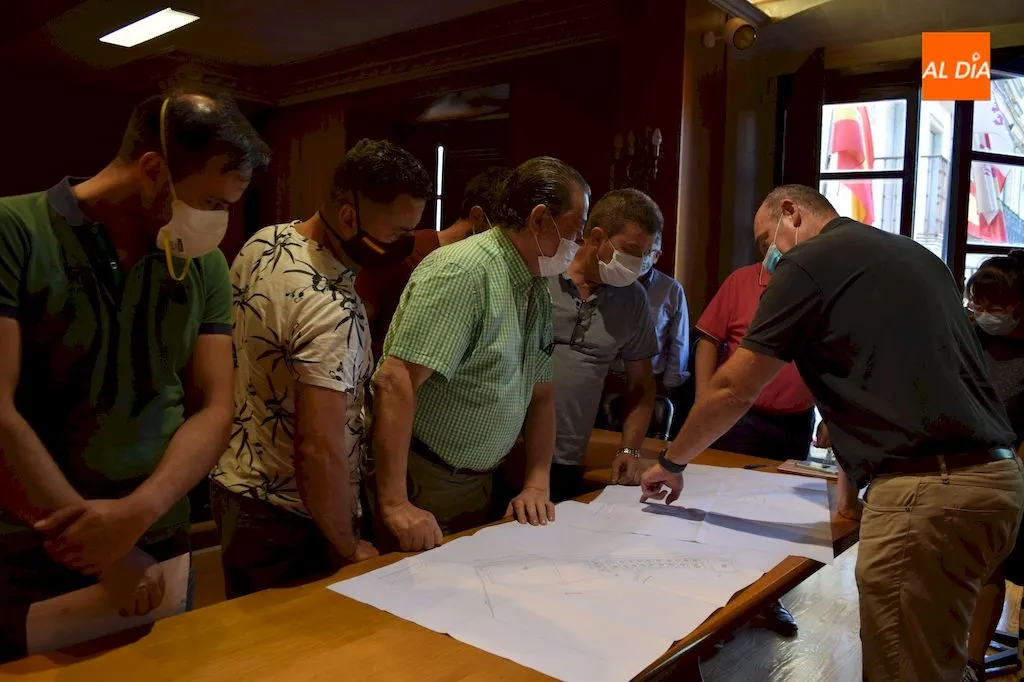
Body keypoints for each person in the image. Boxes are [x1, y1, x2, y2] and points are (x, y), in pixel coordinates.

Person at [640, 184, 1024, 682]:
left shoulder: (811, 261)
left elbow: (736, 387)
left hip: (930, 490)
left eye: (765, 242)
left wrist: (672, 462)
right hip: (994, 483)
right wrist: (849, 484)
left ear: (790, 213)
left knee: (903, 668)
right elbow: (874, 380)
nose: (768, 258)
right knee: (937, 657)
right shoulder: (914, 256)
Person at [0, 91, 269, 660]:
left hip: (157, 538)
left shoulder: (203, 264)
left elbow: (216, 408)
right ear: (153, 171)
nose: (219, 222)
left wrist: (137, 516)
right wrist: (106, 554)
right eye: (211, 201)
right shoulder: (15, 230)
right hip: (32, 545)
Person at [209, 139, 431, 598]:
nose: (403, 248)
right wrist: (348, 547)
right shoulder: (329, 311)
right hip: (294, 516)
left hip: (236, 487)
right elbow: (319, 449)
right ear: (348, 216)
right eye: (395, 234)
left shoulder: (265, 241)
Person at [370, 156, 590, 551]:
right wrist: (395, 502)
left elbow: (541, 395)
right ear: (539, 219)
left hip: (480, 481)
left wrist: (537, 483)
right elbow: (395, 379)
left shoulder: (535, 286)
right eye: (575, 232)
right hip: (426, 477)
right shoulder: (464, 271)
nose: (578, 246)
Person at [548, 188, 660, 502]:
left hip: (567, 457)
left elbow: (642, 385)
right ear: (596, 237)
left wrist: (630, 448)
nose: (637, 263)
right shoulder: (543, 272)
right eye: (630, 250)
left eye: (644, 254)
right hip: (505, 450)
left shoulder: (633, 299)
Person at [356, 166, 510, 362]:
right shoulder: (405, 251)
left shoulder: (489, 269)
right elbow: (357, 320)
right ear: (478, 216)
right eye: (504, 230)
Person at [963, 251, 1024, 682]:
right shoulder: (966, 332)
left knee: (992, 566)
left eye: (996, 308)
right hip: (958, 462)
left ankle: (973, 660)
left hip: (1011, 469)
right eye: (977, 304)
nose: (984, 315)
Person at [694, 255, 817, 463]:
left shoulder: (817, 284)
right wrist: (702, 398)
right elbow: (709, 340)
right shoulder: (740, 281)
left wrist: (834, 417)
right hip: (741, 415)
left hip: (798, 420)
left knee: (785, 490)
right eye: (761, 240)